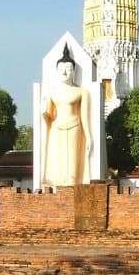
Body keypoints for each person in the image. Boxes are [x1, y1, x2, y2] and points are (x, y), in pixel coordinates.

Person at [41, 46, 92, 187]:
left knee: (72, 168)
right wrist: (44, 112)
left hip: (74, 127)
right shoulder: (51, 92)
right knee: (57, 164)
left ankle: (72, 194)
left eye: (69, 69)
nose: (65, 71)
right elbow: (50, 115)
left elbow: (84, 116)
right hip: (56, 129)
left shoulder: (81, 91)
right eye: (61, 68)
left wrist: (88, 137)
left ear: (74, 71)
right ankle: (57, 194)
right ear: (57, 71)